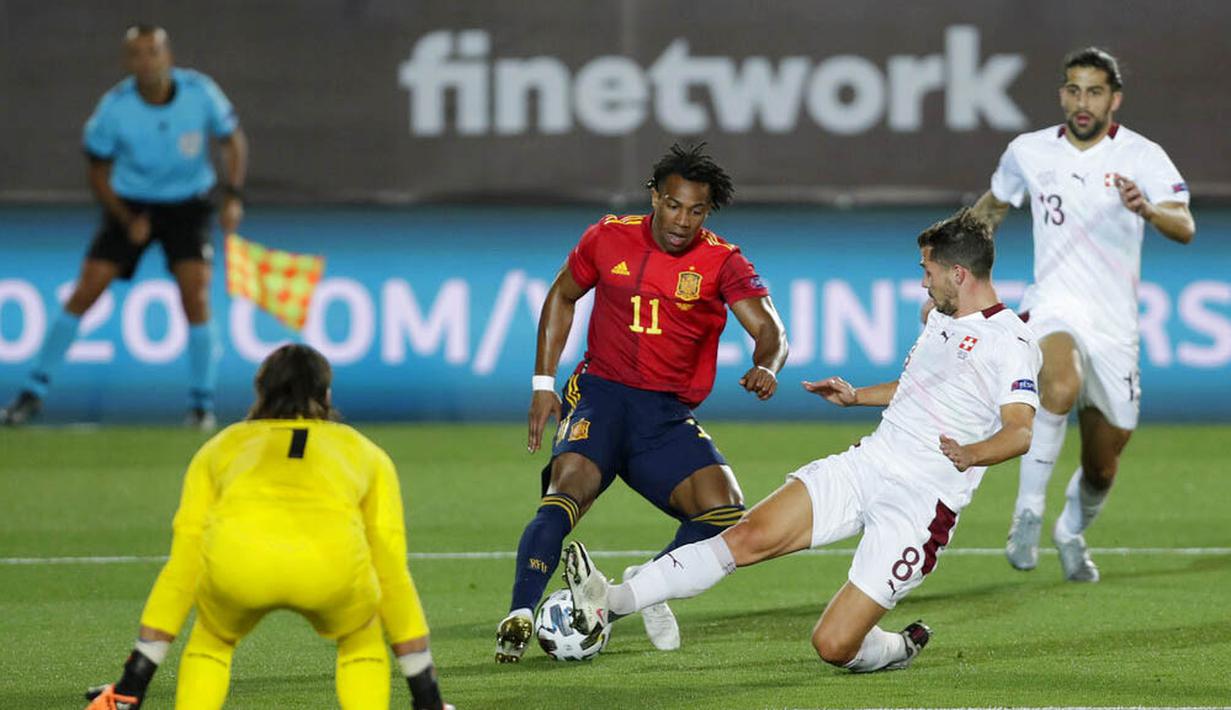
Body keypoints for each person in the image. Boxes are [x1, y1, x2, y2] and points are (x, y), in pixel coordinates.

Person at [563, 208, 1041, 673]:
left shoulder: (1011, 344)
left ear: (959, 274)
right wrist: (857, 397)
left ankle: (897, 646)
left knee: (833, 645)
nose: (923, 282)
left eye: (929, 271)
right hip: (870, 464)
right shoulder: (940, 318)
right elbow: (921, 388)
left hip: (922, 501)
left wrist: (971, 453)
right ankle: (611, 601)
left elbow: (1019, 430)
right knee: (746, 537)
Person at [494, 143, 789, 662]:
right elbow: (563, 295)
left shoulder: (722, 261)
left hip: (665, 415)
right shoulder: (607, 238)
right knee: (567, 494)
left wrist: (767, 365)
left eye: (696, 211)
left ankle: (636, 589)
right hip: (601, 396)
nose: (683, 220)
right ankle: (519, 614)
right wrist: (544, 384)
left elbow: (770, 328)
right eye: (674, 205)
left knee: (725, 514)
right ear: (655, 196)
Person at [84, 344, 450, 710]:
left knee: (212, 638)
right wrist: (426, 696)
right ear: (326, 395)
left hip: (240, 569)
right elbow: (391, 569)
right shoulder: (366, 452)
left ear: (260, 393)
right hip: (330, 572)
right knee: (360, 636)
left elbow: (183, 566)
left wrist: (134, 681)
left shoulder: (219, 448)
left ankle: (131, 697)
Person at [970, 48, 1195, 581]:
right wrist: (949, 260)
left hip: (1115, 327)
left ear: (1114, 98)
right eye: (1074, 90)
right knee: (1059, 384)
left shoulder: (1143, 156)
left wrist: (1148, 208)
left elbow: (1183, 224)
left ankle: (1070, 530)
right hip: (1053, 306)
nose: (1083, 101)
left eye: (1095, 91)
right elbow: (992, 207)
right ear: (1062, 94)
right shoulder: (1029, 151)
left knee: (1102, 465)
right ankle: (1027, 511)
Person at [1, 24, 248, 430]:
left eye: (153, 52)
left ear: (168, 56)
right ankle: (31, 393)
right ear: (126, 61)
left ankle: (202, 405)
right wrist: (125, 218)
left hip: (187, 205)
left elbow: (232, 140)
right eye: (137, 54)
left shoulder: (200, 93)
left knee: (196, 294)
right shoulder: (114, 109)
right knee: (87, 289)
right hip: (133, 203)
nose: (146, 62)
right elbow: (97, 170)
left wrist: (234, 195)